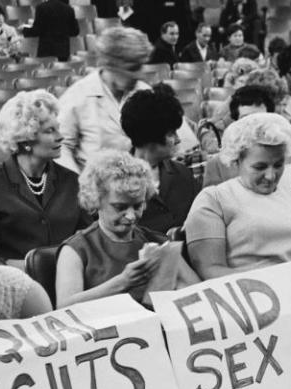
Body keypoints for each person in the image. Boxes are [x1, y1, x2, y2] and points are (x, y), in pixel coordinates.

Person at [185, 113, 291, 279]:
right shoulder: (214, 199)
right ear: (236, 161)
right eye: (260, 167)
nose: (271, 176)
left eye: (278, 165)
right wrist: (277, 282)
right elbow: (210, 270)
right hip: (246, 295)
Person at [56, 150, 197, 306]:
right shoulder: (77, 249)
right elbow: (64, 306)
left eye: (138, 206)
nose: (131, 216)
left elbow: (197, 290)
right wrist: (122, 282)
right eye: (120, 207)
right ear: (96, 200)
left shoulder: (157, 241)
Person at [0, 90, 90, 265]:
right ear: (25, 140)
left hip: (71, 277)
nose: (60, 137)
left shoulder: (72, 181)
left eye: (58, 128)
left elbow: (88, 239)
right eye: (50, 131)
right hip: (15, 281)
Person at [57, 26, 152, 173]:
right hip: (93, 186)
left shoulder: (145, 92)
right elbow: (61, 147)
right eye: (132, 68)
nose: (139, 74)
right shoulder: (78, 96)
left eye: (141, 67)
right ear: (110, 64)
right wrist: (79, 182)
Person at [121, 86, 201, 234]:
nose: (178, 140)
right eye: (171, 134)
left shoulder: (183, 174)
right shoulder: (114, 177)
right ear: (151, 136)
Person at [202, 85, 291, 189]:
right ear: (236, 123)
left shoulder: (289, 158)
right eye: (246, 119)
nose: (254, 127)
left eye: (261, 119)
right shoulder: (218, 164)